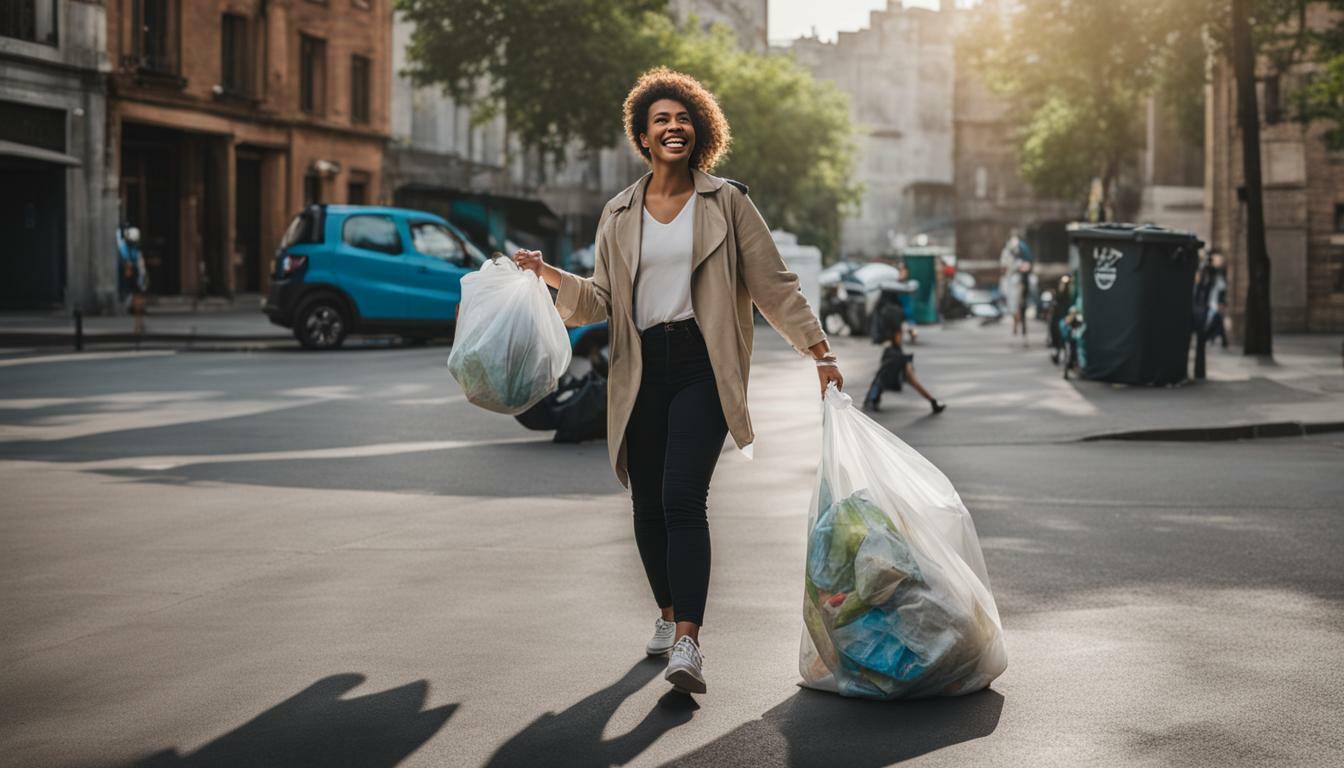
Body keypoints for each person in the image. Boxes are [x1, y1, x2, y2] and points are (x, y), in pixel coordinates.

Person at [513, 68, 843, 696]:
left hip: (702, 363)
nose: (674, 127)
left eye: (684, 118)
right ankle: (666, 614)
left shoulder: (728, 202)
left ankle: (688, 639)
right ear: (642, 135)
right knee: (647, 504)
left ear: (701, 132)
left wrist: (819, 352)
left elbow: (774, 286)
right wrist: (546, 273)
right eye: (660, 119)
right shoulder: (619, 212)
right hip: (638, 368)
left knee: (684, 497)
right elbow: (601, 300)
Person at [863, 298, 946, 414]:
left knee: (884, 377)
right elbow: (898, 336)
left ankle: (872, 399)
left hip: (893, 352)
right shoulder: (894, 315)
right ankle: (933, 401)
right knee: (899, 378)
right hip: (895, 354)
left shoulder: (884, 313)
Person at [117, 225, 148, 335]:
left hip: (134, 274)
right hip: (130, 275)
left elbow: (139, 262)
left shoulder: (132, 249)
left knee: (138, 296)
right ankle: (138, 322)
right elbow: (129, 263)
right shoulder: (124, 248)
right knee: (136, 296)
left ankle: (139, 323)